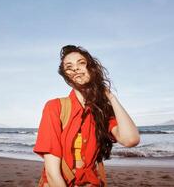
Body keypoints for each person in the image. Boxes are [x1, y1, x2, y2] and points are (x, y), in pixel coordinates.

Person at [33, 45, 140, 187]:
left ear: (91, 68)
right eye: (69, 67)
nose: (75, 68)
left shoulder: (102, 111)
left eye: (81, 63)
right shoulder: (55, 107)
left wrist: (110, 97)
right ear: (66, 76)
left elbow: (131, 140)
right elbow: (53, 174)